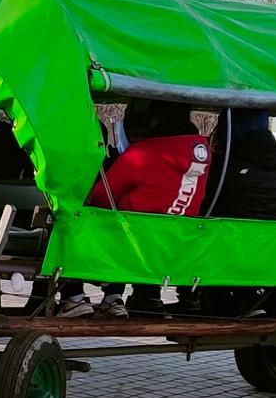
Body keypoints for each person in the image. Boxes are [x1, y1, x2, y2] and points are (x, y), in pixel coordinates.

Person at [60, 100, 213, 317]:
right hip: (178, 249)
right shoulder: (204, 158)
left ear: (157, 121)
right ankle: (118, 299)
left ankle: (74, 297)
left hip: (131, 245)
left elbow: (103, 196)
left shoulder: (143, 153)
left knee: (76, 224)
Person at [201, 109, 276, 316]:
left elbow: (211, 202)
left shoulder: (228, 167)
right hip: (272, 243)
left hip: (235, 243)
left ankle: (233, 300)